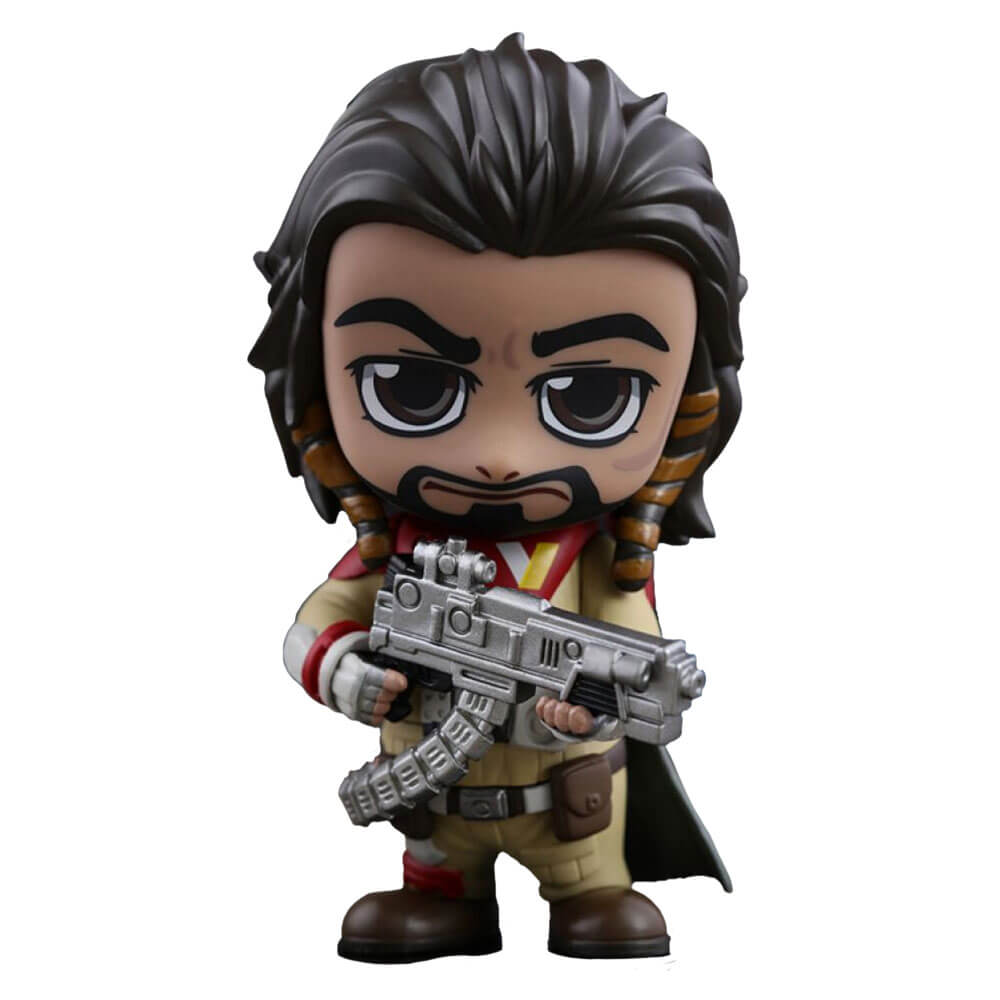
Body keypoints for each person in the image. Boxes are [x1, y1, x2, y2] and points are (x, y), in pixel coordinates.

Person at [250, 33, 744, 962]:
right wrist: (350, 672)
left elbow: (628, 648)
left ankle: (591, 891)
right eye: (412, 385)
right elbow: (312, 626)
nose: (502, 457)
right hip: (435, 799)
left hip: (569, 803)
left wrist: (593, 709)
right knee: (434, 857)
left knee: (592, 884)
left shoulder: (596, 562)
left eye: (591, 397)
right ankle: (445, 897)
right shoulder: (396, 555)